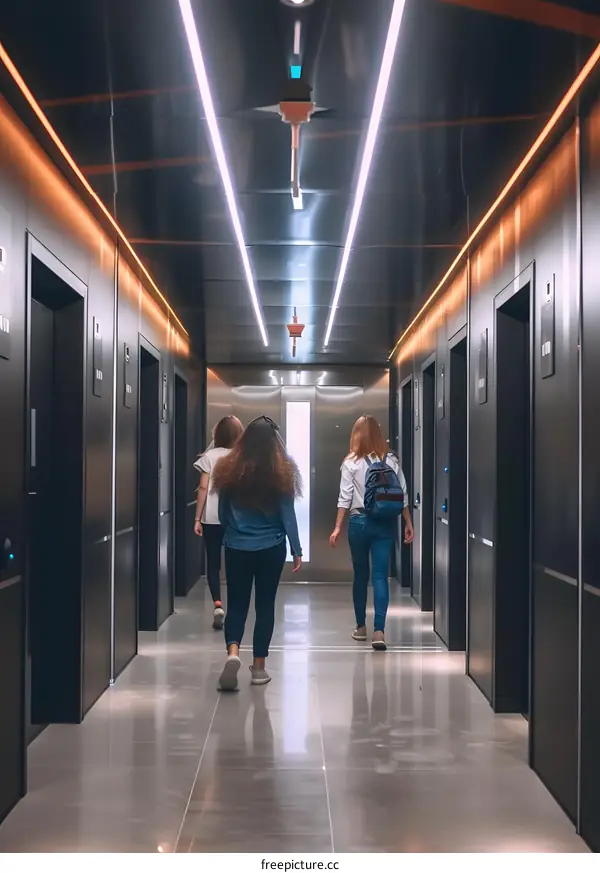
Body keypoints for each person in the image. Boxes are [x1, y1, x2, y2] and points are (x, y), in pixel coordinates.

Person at [211, 415, 303, 690]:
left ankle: (233, 653)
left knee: (237, 604)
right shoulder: (283, 471)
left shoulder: (228, 468)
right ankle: (259, 668)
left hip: (237, 546)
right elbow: (288, 515)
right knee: (265, 605)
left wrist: (232, 534)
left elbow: (223, 512)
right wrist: (296, 549)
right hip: (271, 548)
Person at [329, 415, 414, 651]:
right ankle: (379, 631)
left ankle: (360, 627)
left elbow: (344, 498)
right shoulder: (392, 461)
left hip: (359, 522)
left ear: (356, 435)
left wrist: (337, 527)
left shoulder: (351, 462)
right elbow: (403, 494)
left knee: (360, 575)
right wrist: (408, 522)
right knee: (379, 576)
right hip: (386, 523)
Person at [193, 415, 244, 630]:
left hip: (211, 518)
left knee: (213, 562)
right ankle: (235, 605)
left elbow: (203, 488)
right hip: (235, 519)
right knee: (234, 562)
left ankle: (217, 603)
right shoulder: (241, 457)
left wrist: (197, 518)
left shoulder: (209, 457)